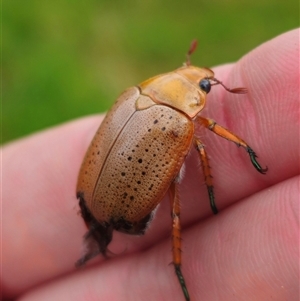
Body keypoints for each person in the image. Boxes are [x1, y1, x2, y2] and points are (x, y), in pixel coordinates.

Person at [2, 29, 299, 301]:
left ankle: (173, 265)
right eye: (205, 85)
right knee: (176, 212)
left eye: (203, 83)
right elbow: (204, 152)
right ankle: (179, 267)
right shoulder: (180, 123)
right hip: (127, 203)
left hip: (97, 188)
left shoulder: (132, 95)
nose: (202, 83)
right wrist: (238, 151)